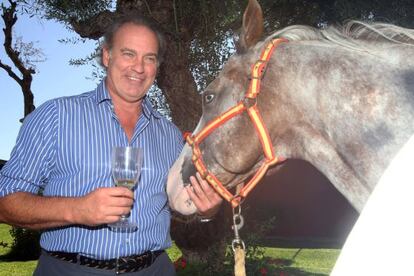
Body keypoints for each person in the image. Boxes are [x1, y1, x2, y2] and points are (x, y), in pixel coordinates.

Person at [0, 13, 222, 275]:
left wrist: (207, 208)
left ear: (157, 67)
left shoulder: (172, 135)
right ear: (107, 56)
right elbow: (6, 203)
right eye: (128, 54)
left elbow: (181, 206)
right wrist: (76, 210)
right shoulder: (56, 117)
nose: (138, 67)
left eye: (149, 58)